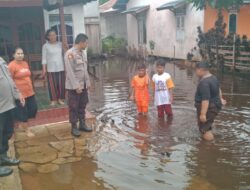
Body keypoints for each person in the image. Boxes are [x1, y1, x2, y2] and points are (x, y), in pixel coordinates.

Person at [64, 33, 93, 137]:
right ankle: (74, 127)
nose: (87, 45)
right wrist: (76, 86)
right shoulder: (70, 54)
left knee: (82, 105)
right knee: (73, 107)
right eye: (86, 43)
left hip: (84, 85)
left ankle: (82, 124)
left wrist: (88, 83)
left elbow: (85, 70)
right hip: (74, 87)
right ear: (81, 42)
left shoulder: (83, 53)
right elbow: (70, 72)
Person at [0, 57, 24, 177]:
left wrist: (17, 94)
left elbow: (9, 80)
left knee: (7, 132)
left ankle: (3, 157)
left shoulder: (1, 60)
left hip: (8, 105)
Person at [8, 47, 38, 137]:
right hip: (20, 94)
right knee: (23, 112)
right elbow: (10, 80)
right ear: (13, 55)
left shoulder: (25, 63)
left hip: (30, 91)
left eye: (22, 53)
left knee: (33, 108)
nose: (21, 55)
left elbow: (28, 76)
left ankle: (22, 124)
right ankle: (27, 130)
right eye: (18, 53)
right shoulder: (11, 65)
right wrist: (16, 93)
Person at [195, 61, 226, 141]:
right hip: (216, 105)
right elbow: (218, 89)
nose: (196, 72)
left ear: (201, 70)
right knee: (207, 125)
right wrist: (221, 98)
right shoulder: (213, 77)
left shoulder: (204, 83)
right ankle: (210, 132)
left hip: (209, 108)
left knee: (204, 130)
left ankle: (210, 146)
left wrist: (202, 114)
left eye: (196, 70)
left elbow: (205, 100)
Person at [42, 29, 65, 106]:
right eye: (51, 35)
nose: (53, 36)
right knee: (52, 85)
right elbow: (44, 58)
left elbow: (65, 54)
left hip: (60, 67)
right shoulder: (45, 46)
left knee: (61, 84)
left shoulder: (60, 44)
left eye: (54, 34)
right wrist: (44, 69)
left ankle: (60, 99)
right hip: (51, 68)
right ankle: (53, 100)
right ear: (48, 37)